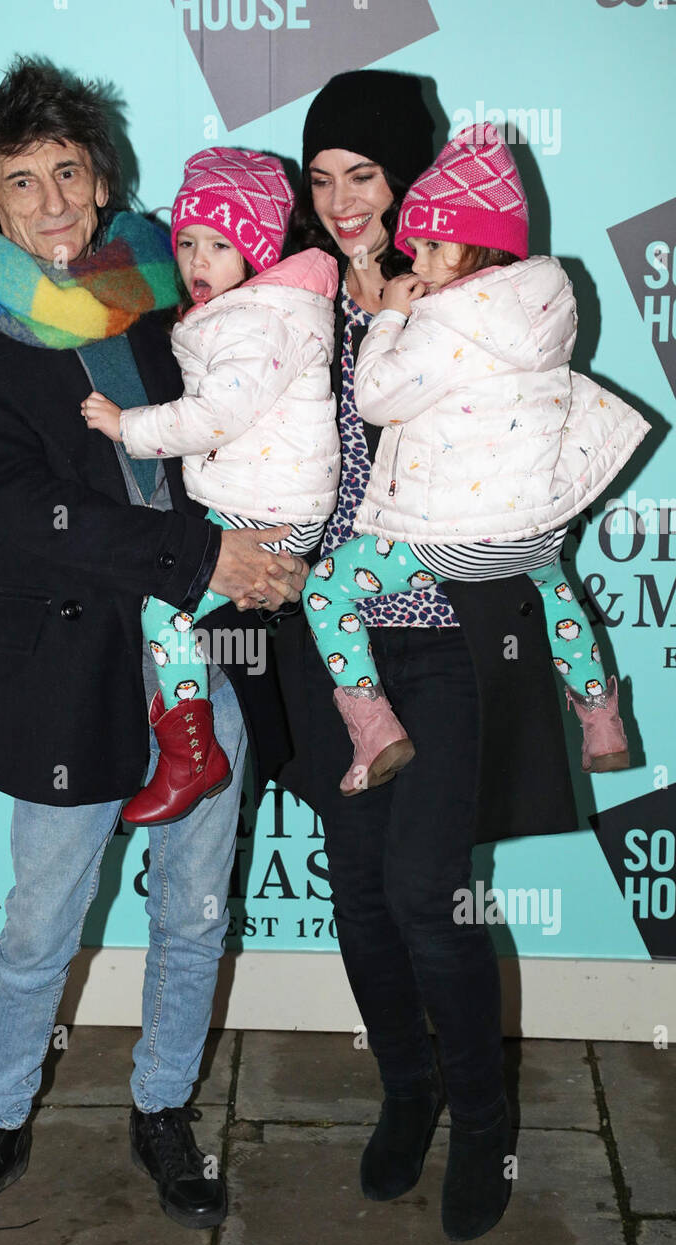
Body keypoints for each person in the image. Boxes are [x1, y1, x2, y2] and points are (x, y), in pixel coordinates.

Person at [0, 57, 307, 1245]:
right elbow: (23, 509)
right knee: (40, 921)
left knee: (192, 906)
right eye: (22, 181)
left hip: (199, 654)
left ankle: (166, 1106)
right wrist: (202, 558)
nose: (54, 200)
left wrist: (264, 547)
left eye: (69, 170)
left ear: (101, 176)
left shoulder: (175, 293)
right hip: (61, 657)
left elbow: (257, 416)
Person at [273, 69, 582, 1243]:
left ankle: (481, 1115)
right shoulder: (291, 297)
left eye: (367, 175)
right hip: (327, 646)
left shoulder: (479, 296)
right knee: (357, 893)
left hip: (446, 643)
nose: (345, 200)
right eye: (323, 177)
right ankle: (406, 1091)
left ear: (412, 183)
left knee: (424, 892)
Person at [302, 123, 649, 793]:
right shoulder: (544, 303)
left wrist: (389, 319)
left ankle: (373, 728)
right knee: (553, 592)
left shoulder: (444, 321)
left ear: (480, 247)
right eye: (416, 247)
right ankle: (602, 721)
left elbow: (375, 399)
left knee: (327, 589)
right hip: (533, 534)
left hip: (456, 546)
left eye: (434, 246)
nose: (421, 263)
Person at [83, 146, 340, 825]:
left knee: (163, 610)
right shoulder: (243, 311)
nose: (199, 260)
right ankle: (192, 748)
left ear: (257, 252)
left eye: (222, 244)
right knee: (175, 613)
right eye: (189, 242)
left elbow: (216, 414)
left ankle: (191, 756)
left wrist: (126, 427)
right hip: (263, 499)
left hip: (264, 508)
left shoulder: (259, 320)